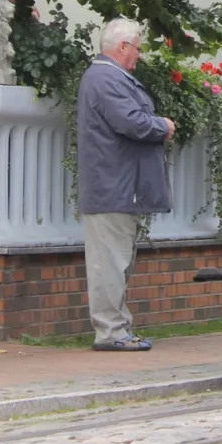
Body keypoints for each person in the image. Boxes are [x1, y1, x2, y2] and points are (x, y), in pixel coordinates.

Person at [77, 18, 175, 352]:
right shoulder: (105, 77)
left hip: (118, 186)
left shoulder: (108, 77)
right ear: (122, 47)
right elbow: (131, 123)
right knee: (111, 264)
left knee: (117, 263)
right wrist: (161, 125)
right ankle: (111, 333)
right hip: (113, 188)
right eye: (137, 48)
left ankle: (118, 330)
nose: (140, 55)